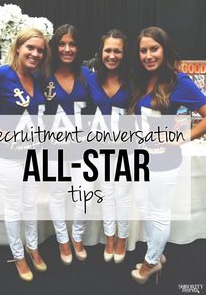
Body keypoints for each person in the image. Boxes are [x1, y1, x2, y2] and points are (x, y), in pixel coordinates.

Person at [0, 28, 51, 281]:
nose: (35, 53)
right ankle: (18, 255)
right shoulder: (0, 75)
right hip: (7, 156)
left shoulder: (38, 78)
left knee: (30, 205)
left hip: (33, 155)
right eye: (30, 48)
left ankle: (33, 247)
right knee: (14, 207)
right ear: (18, 48)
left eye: (40, 50)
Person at [128, 26, 206, 284]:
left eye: (154, 49)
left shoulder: (179, 81)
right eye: (143, 50)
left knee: (159, 212)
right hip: (141, 159)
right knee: (145, 207)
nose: (148, 55)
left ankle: (150, 263)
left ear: (164, 50)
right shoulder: (141, 79)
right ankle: (156, 254)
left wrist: (180, 137)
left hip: (164, 161)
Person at [44, 24, 93, 265]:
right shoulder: (42, 75)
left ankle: (77, 238)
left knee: (83, 195)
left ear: (79, 47)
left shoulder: (88, 76)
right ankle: (62, 241)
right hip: (53, 149)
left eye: (72, 44)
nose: (67, 49)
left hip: (82, 149)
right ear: (54, 46)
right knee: (57, 196)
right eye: (62, 44)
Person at [88, 29, 131, 263]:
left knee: (122, 195)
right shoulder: (90, 77)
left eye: (117, 51)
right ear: (101, 51)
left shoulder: (134, 78)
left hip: (126, 148)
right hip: (99, 147)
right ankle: (110, 237)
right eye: (108, 50)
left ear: (124, 54)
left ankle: (123, 238)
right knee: (106, 193)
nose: (112, 55)